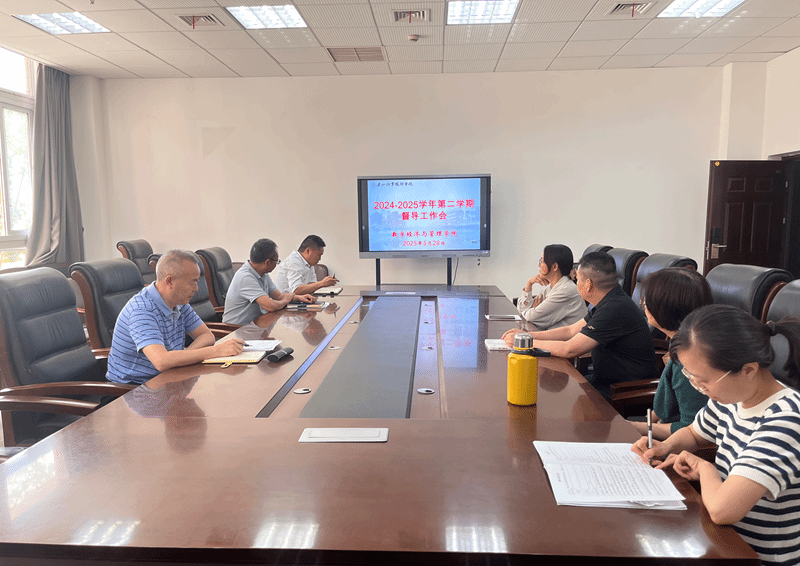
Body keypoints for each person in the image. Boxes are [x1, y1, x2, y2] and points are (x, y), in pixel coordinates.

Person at [632, 305, 800, 566]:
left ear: (748, 370)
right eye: (691, 378)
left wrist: (706, 469)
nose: (699, 388)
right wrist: (664, 447)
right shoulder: (734, 397)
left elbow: (723, 510)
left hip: (759, 557)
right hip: (721, 541)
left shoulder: (786, 420)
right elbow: (694, 433)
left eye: (703, 381)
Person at [502, 251, 657, 400]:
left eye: (578, 280)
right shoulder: (609, 300)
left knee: (553, 399)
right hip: (604, 381)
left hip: (623, 391)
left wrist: (524, 343)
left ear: (587, 285)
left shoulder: (614, 308)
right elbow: (570, 331)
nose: (576, 283)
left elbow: (570, 349)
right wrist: (526, 335)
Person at [107, 250, 245, 385]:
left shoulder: (179, 302)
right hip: (136, 389)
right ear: (169, 281)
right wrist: (216, 351)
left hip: (169, 377)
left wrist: (184, 356)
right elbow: (161, 361)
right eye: (192, 282)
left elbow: (206, 336)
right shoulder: (142, 310)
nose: (196, 288)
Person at [628, 268, 712, 440]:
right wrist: (646, 423)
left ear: (665, 309)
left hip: (681, 443)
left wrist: (636, 427)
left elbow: (690, 427)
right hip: (664, 429)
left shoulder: (690, 359)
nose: (644, 305)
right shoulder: (683, 339)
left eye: (647, 301)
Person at [222, 238, 314, 325]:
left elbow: (279, 296)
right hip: (236, 329)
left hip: (255, 324)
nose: (277, 264)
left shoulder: (263, 274)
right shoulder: (245, 277)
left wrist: (299, 298)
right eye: (276, 261)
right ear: (267, 262)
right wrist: (286, 301)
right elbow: (270, 306)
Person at [515, 244, 586, 330]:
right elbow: (521, 311)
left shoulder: (566, 291)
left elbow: (530, 317)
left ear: (555, 267)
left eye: (542, 261)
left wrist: (533, 309)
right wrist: (529, 284)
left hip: (566, 338)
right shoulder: (549, 289)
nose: (539, 265)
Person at [273, 235, 339, 294]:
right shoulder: (294, 262)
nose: (320, 259)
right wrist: (322, 283)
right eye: (318, 255)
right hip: (285, 302)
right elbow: (296, 290)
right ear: (308, 251)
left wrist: (324, 283)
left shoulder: (309, 263)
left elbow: (311, 284)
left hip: (299, 299)